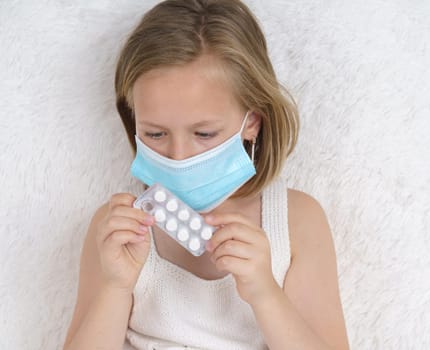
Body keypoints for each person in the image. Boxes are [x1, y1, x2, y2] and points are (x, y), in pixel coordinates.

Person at [63, 0, 349, 349]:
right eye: (155, 134)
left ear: (252, 123)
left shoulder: (296, 222)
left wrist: (265, 294)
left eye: (204, 134)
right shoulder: (118, 230)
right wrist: (115, 285)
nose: (179, 156)